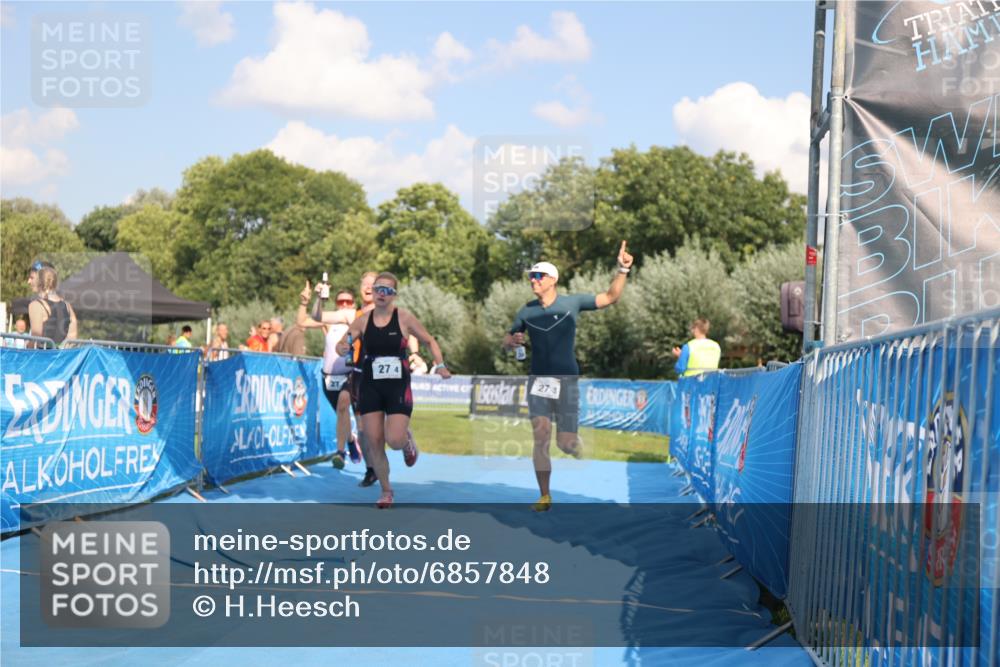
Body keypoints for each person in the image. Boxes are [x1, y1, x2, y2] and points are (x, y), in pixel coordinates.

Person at [502, 241, 634, 512]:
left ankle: (574, 444)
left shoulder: (572, 302)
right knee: (540, 434)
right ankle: (544, 495)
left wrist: (622, 269)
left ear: (553, 280)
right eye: (531, 276)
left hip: (567, 381)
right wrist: (512, 341)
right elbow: (507, 339)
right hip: (538, 381)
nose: (533, 280)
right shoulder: (525, 311)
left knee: (565, 443)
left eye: (538, 276)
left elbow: (610, 297)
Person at [335, 272, 451, 508]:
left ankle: (406, 440)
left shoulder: (404, 317)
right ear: (374, 291)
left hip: (397, 386)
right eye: (378, 289)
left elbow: (429, 340)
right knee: (373, 439)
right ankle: (386, 490)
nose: (381, 294)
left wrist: (439, 364)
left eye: (387, 290)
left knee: (394, 439)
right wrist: (342, 346)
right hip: (370, 385)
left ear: (394, 295)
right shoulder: (363, 320)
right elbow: (342, 344)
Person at [296, 283, 360, 469]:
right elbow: (302, 322)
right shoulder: (329, 322)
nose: (345, 305)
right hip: (329, 376)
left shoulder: (357, 321)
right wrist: (304, 302)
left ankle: (339, 452)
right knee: (341, 414)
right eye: (341, 302)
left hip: (349, 374)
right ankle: (350, 440)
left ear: (353, 303)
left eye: (348, 301)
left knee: (342, 407)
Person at [27, 265, 77, 346]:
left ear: (39, 281)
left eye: (32, 278)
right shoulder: (68, 306)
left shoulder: (36, 305)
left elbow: (35, 340)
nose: (28, 282)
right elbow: (72, 340)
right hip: (63, 357)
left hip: (43, 356)